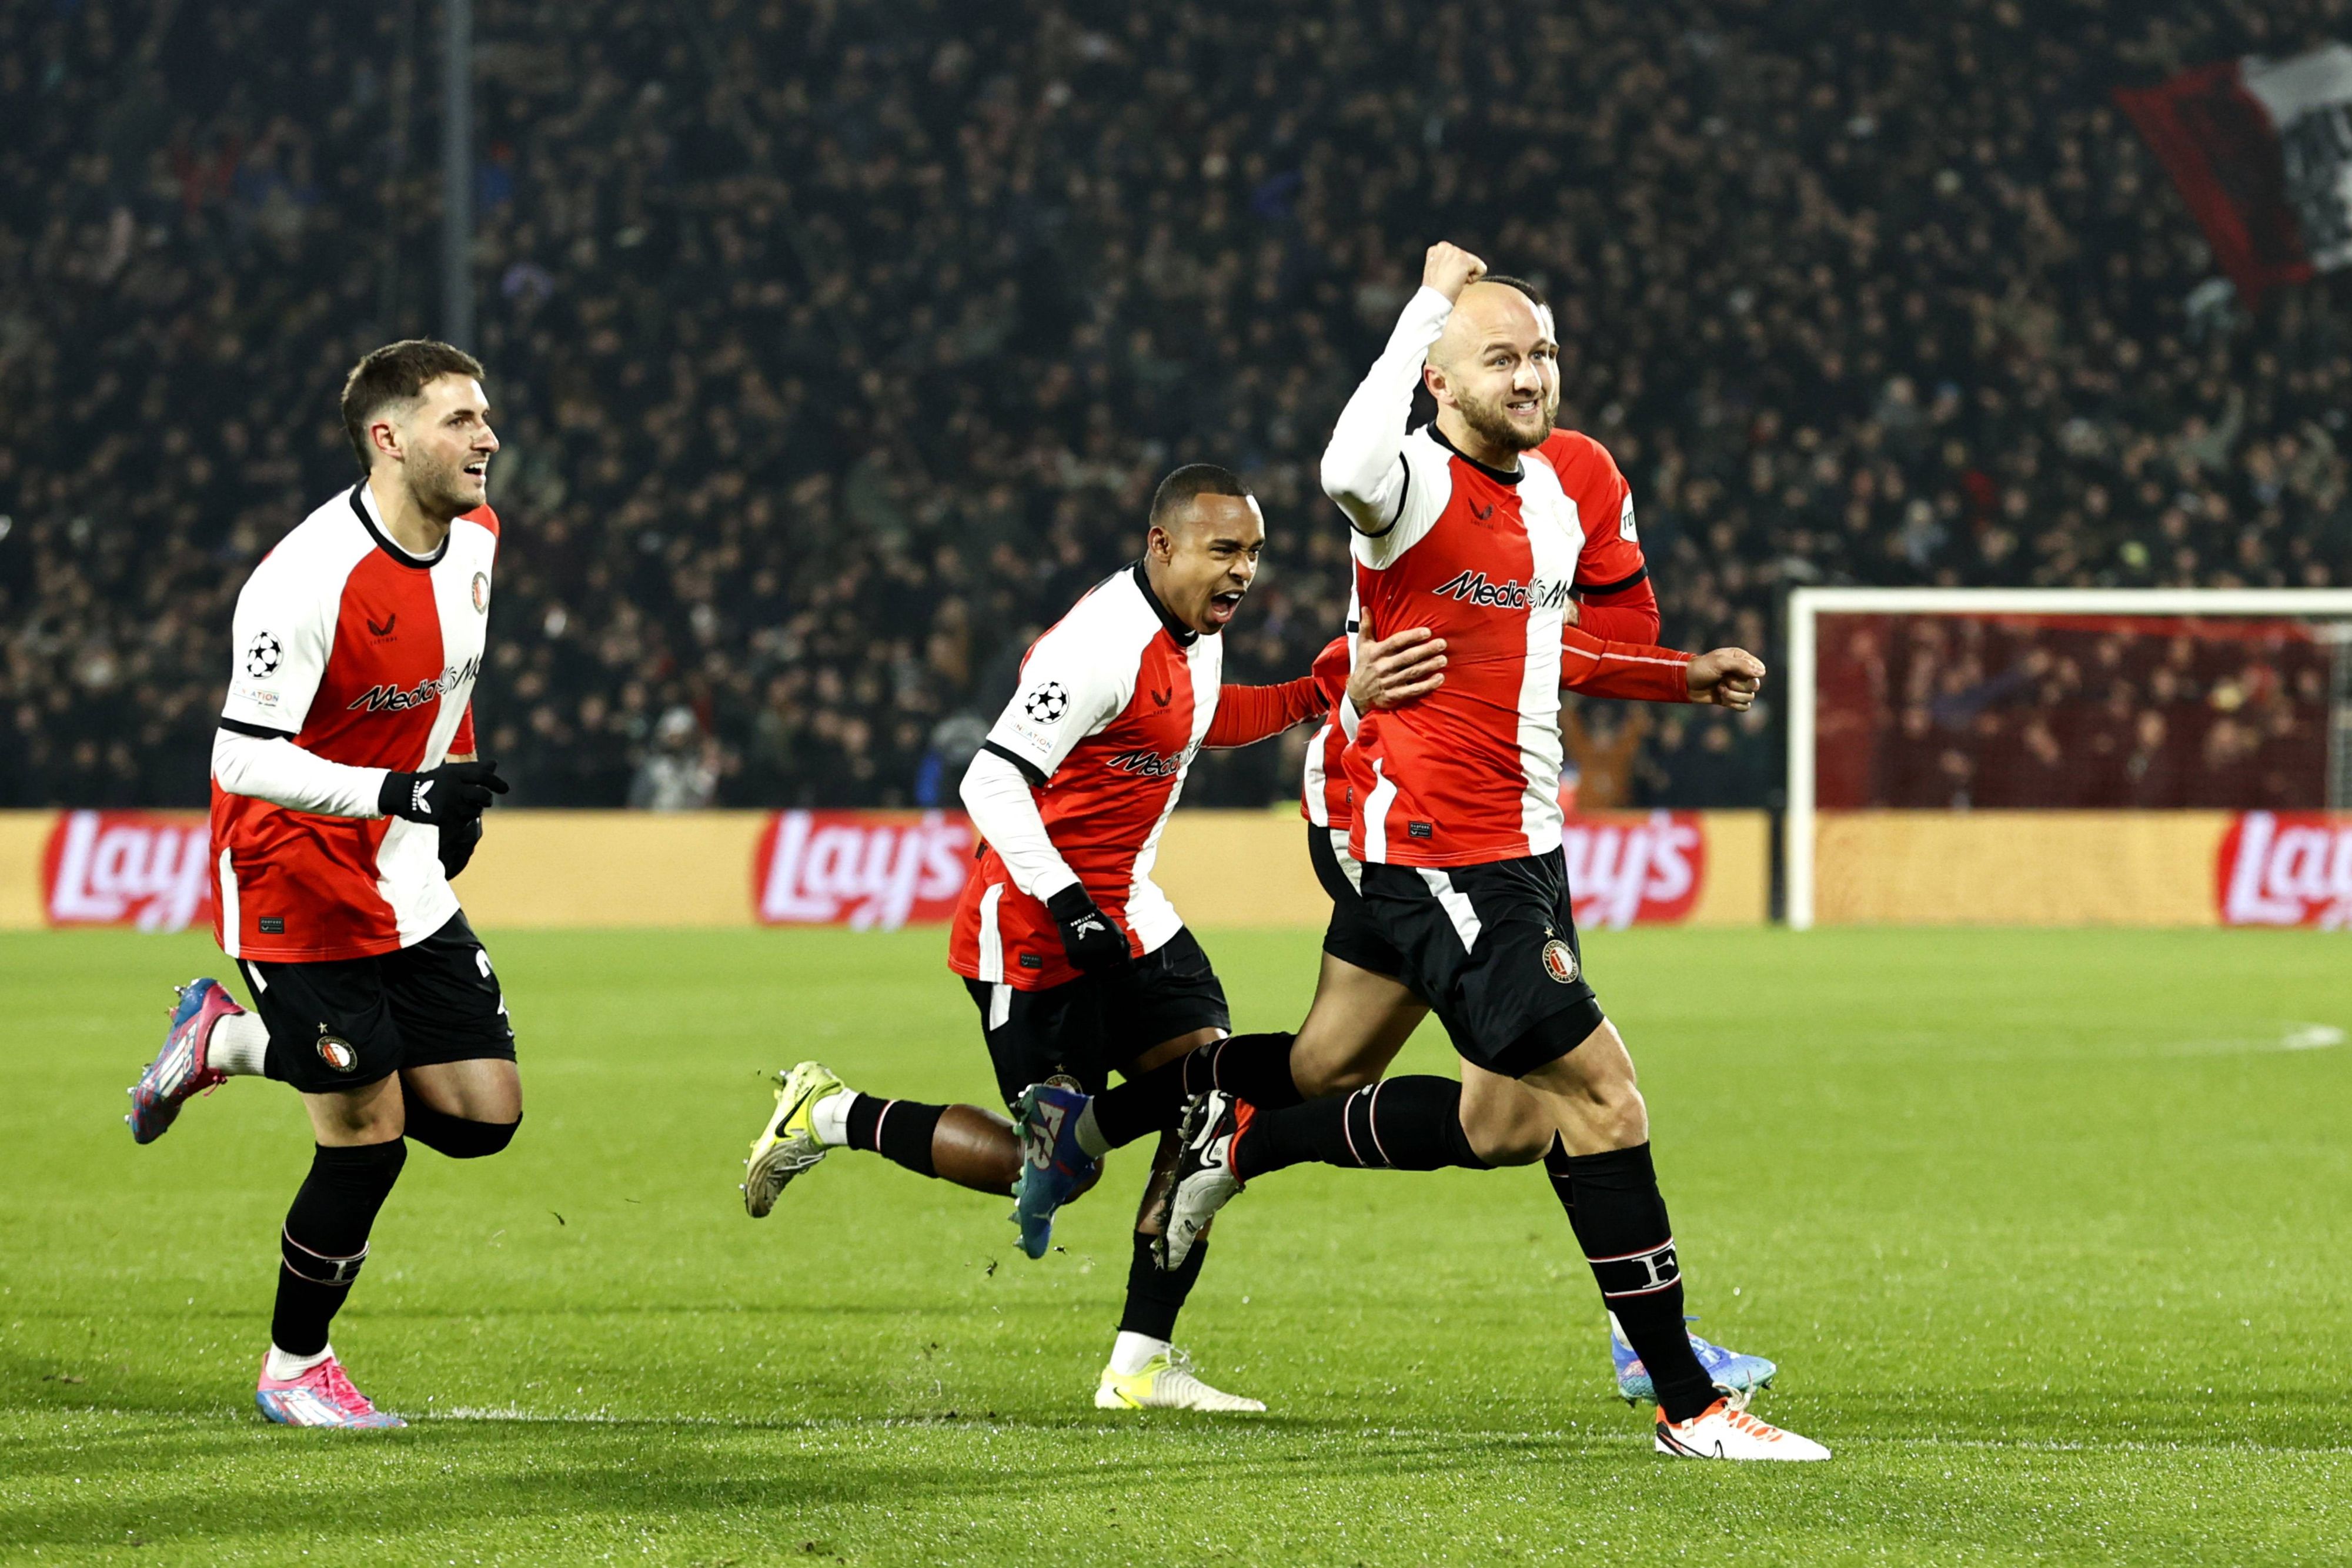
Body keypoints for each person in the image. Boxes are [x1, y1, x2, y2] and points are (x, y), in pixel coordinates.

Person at [1157, 245, 1832, 1460]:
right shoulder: (1405, 484)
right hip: (1420, 836)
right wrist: (1423, 299)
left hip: (1516, 833)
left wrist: (1676, 675)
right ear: (1436, 379)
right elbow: (1339, 467)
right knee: (1601, 1092)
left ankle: (1235, 1134)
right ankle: (1683, 1394)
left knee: (1431, 1095)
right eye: (1497, 358)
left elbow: (1583, 645)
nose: (1527, 378)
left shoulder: (1574, 481)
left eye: (1540, 356)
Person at [739, 464, 1422, 1412]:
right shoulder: (1096, 647)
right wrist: (1069, 905)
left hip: (1132, 912)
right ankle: (830, 1114)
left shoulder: (1196, 632)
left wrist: (1313, 693)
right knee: (1052, 1168)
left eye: (1255, 554)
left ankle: (1139, 1365)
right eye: (1225, 550)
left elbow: (1194, 720)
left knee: (1208, 1104)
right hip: (1030, 928)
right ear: (1163, 545)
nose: (1243, 573)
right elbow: (989, 781)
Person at [1017, 607, 1784, 1407]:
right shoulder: (1434, 523)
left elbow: (1553, 636)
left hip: (1483, 831)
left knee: (1393, 1086)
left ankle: (1172, 1132)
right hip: (1409, 833)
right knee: (1564, 1076)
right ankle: (1646, 1346)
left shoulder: (1533, 515)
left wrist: (1671, 672)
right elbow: (1420, 602)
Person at [124, 341, 521, 1429]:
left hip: (401, 866)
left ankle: (225, 1042)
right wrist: (399, 792)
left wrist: (446, 798)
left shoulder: (478, 538)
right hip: (290, 873)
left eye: (485, 416)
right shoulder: (302, 581)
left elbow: (448, 681)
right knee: (366, 1132)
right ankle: (296, 1367)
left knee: (485, 1117)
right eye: (459, 420)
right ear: (389, 439)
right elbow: (240, 757)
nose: (486, 438)